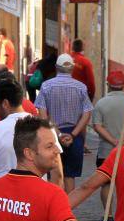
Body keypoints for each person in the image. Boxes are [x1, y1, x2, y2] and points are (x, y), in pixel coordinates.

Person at [34, 53, 93, 192]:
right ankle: (68, 209)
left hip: (52, 134)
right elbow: (87, 113)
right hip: (74, 134)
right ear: (72, 68)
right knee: (70, 175)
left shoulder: (46, 86)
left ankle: (54, 208)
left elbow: (42, 115)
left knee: (53, 173)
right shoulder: (81, 87)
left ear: (56, 67)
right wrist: (73, 134)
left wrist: (58, 134)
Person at [91, 70, 124, 221]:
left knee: (106, 184)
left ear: (108, 85)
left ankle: (109, 215)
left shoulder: (101, 103)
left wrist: (113, 141)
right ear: (123, 85)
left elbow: (97, 126)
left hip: (106, 151)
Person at [0, 79, 33, 189]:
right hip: (36, 198)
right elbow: (58, 175)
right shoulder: (46, 128)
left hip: (4, 198)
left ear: (5, 103)